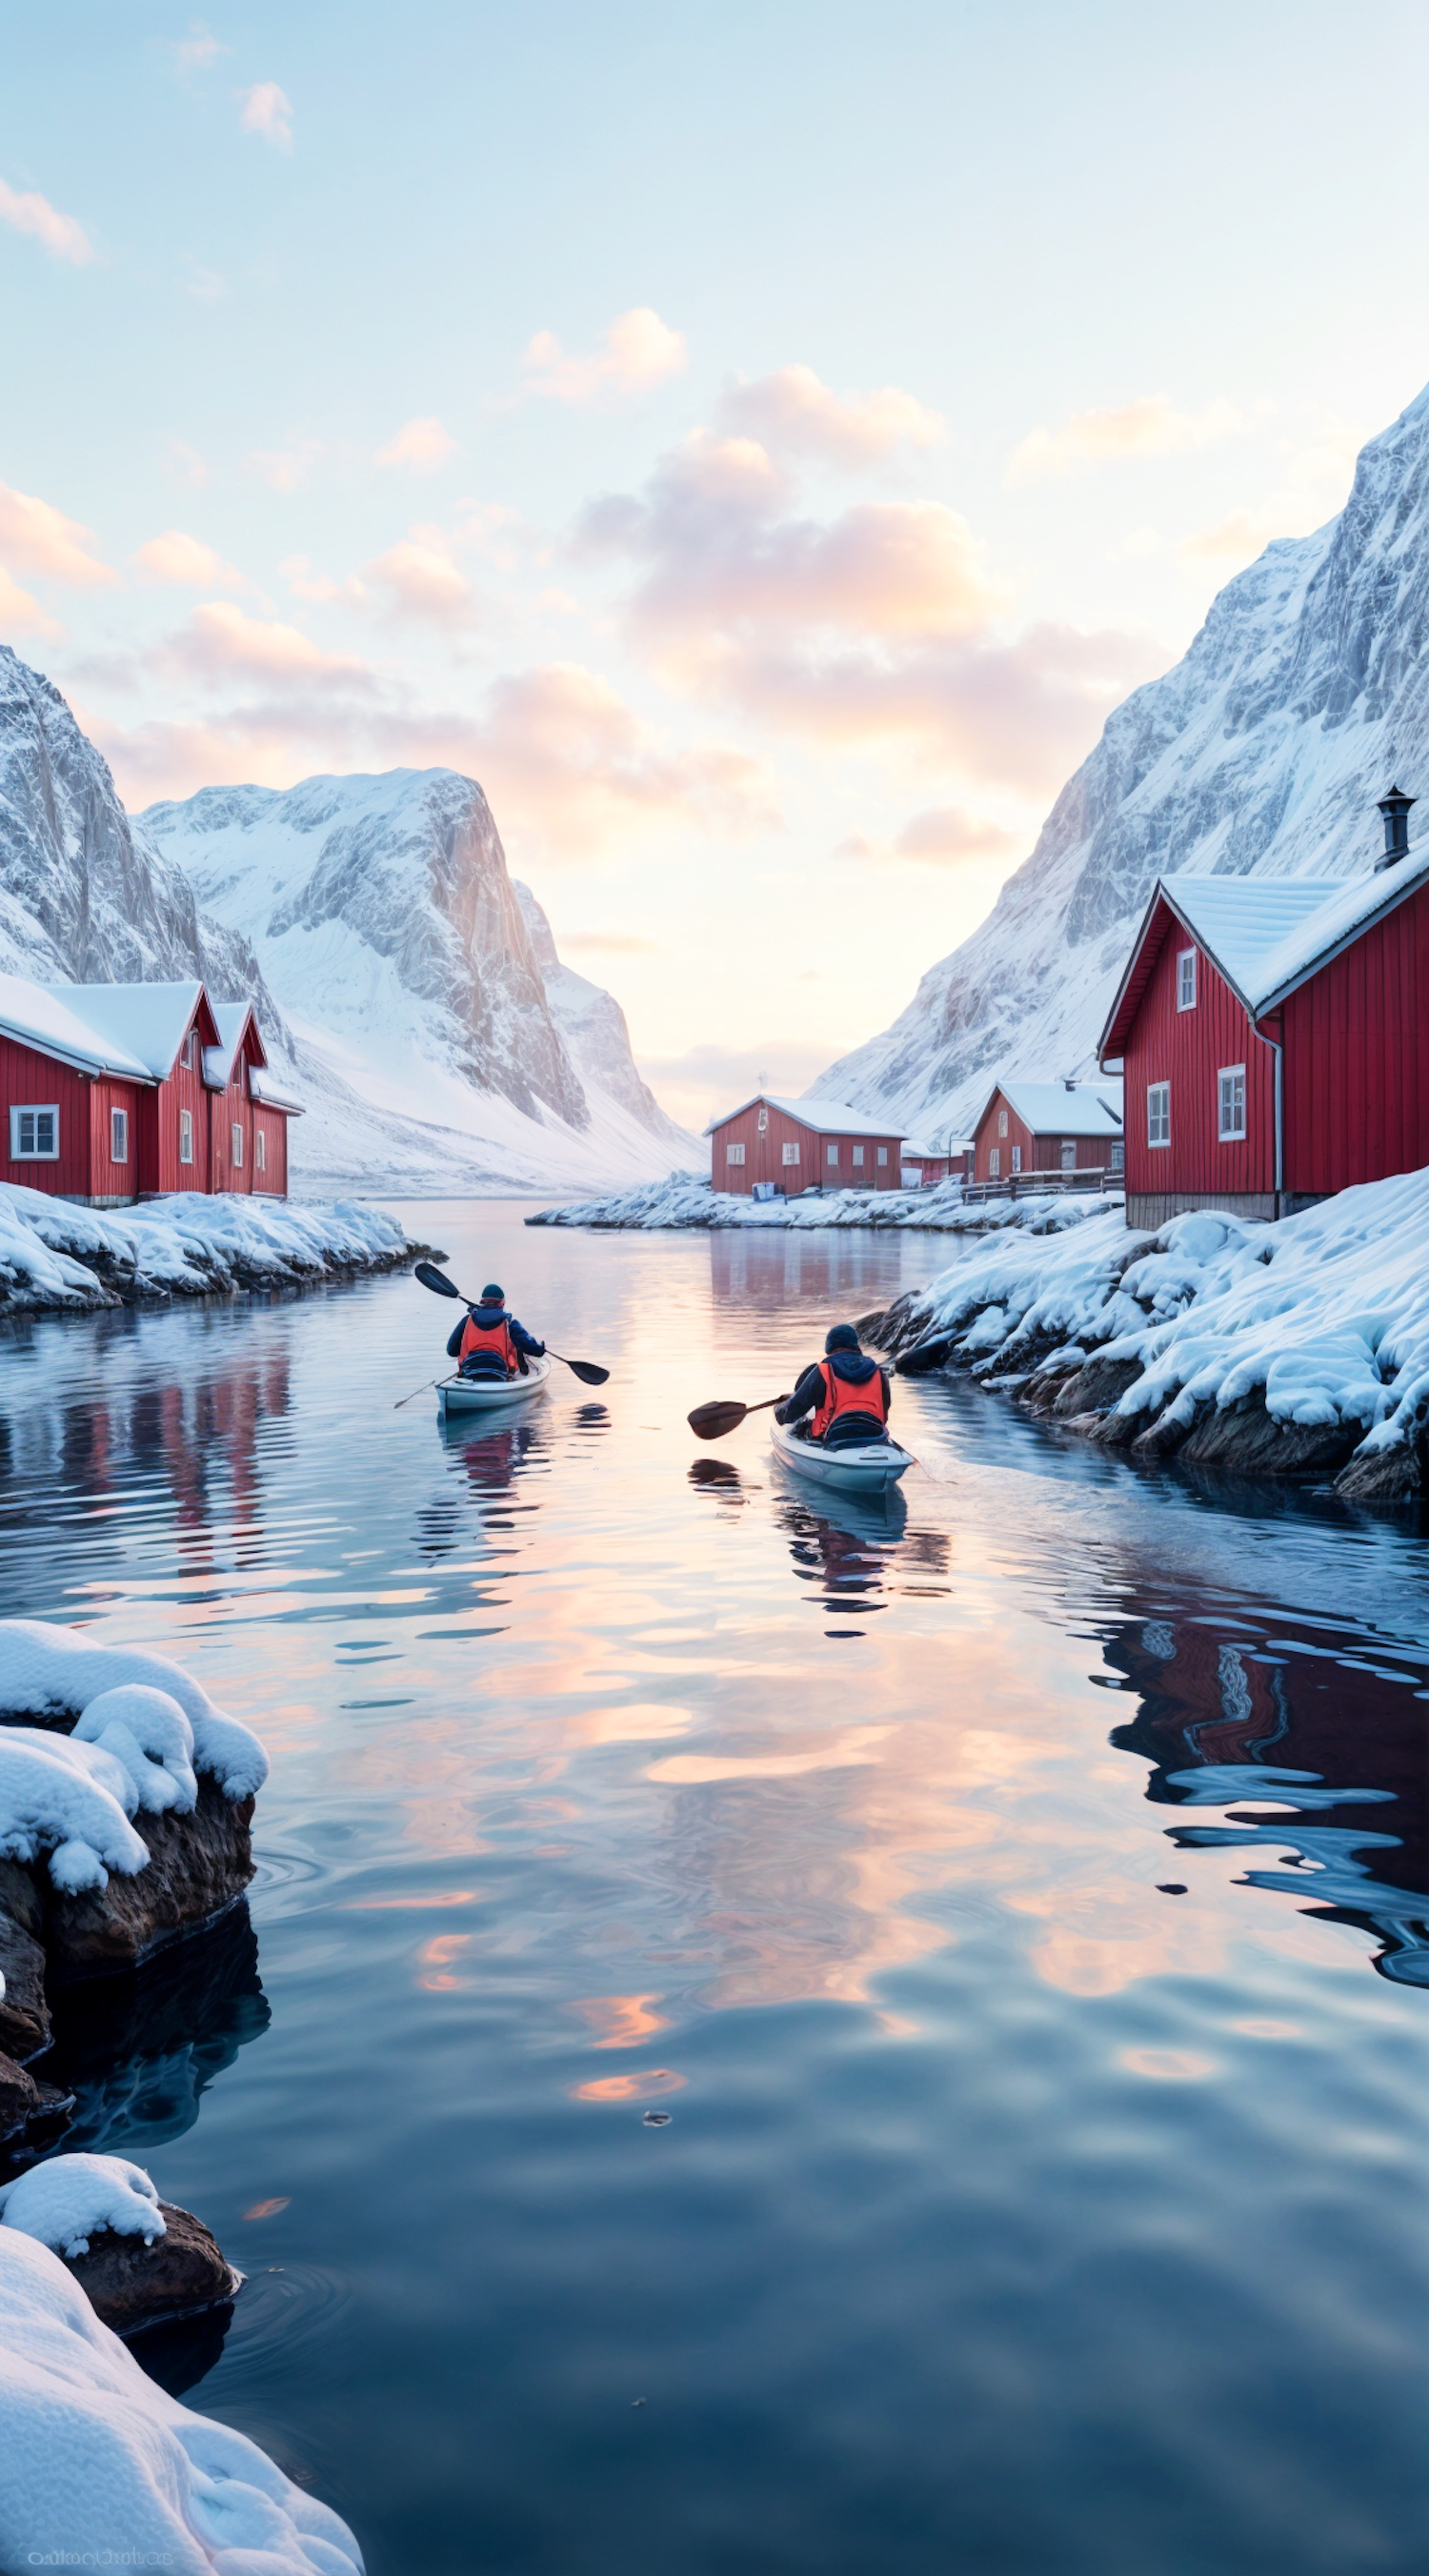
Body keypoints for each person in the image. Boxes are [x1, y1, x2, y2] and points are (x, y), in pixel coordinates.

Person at [775, 1322, 891, 1446]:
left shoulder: (823, 1370)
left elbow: (793, 1412)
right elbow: (885, 1408)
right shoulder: (877, 1371)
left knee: (799, 1427)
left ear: (829, 1347)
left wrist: (780, 1411)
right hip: (874, 1435)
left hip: (832, 1437)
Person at [447, 1283, 546, 1380]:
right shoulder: (510, 1323)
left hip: (470, 1373)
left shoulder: (467, 1320)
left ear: (482, 1302)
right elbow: (531, 1348)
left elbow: (451, 1351)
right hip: (502, 1375)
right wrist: (540, 1349)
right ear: (502, 1303)